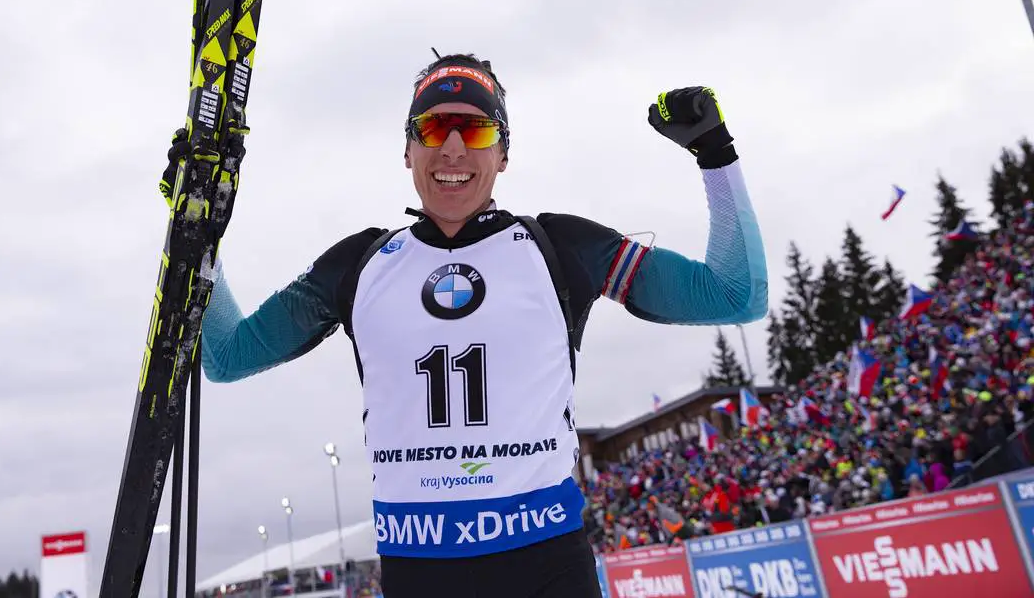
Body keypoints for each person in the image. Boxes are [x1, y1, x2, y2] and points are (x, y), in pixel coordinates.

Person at [171, 52, 769, 597]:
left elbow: (734, 295)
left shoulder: (560, 247)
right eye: (433, 128)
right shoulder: (357, 266)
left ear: (502, 154)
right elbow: (226, 355)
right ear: (407, 150)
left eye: (475, 129)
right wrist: (196, 228)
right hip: (419, 570)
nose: (453, 148)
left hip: (548, 565)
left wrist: (715, 152)